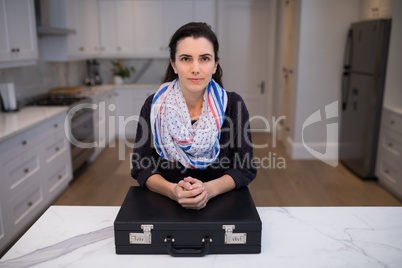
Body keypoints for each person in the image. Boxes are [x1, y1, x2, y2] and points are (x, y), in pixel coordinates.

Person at [131, 22, 256, 210]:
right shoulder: (154, 105)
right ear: (174, 64)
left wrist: (208, 190)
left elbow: (245, 168)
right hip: (165, 206)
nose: (195, 68)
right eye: (186, 59)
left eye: (205, 59)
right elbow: (141, 167)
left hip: (222, 207)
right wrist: (173, 191)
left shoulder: (233, 105)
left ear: (215, 65)